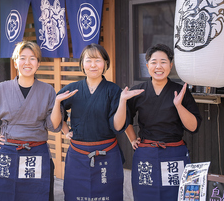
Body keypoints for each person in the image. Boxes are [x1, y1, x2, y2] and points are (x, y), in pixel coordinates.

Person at [50, 43, 143, 201]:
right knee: (75, 195)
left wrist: (122, 102)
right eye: (88, 60)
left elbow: (118, 126)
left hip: (107, 153)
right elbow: (54, 122)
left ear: (105, 63)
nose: (93, 65)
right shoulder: (72, 88)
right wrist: (64, 124)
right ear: (82, 64)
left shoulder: (113, 90)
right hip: (78, 154)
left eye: (98, 60)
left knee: (109, 196)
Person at [0, 41, 62, 201]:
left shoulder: (48, 90)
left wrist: (57, 103)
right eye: (22, 58)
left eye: (32, 58)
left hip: (36, 153)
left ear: (39, 63)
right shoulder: (2, 88)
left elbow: (54, 126)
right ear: (15, 62)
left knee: (35, 196)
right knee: (1, 195)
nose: (27, 63)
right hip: (6, 152)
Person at [125, 44, 202, 201]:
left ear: (171, 65)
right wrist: (132, 139)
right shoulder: (138, 91)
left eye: (163, 62)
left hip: (174, 153)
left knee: (175, 196)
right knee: (145, 196)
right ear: (147, 66)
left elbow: (193, 127)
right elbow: (125, 119)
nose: (158, 66)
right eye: (153, 62)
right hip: (146, 153)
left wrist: (178, 105)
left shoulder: (180, 91)